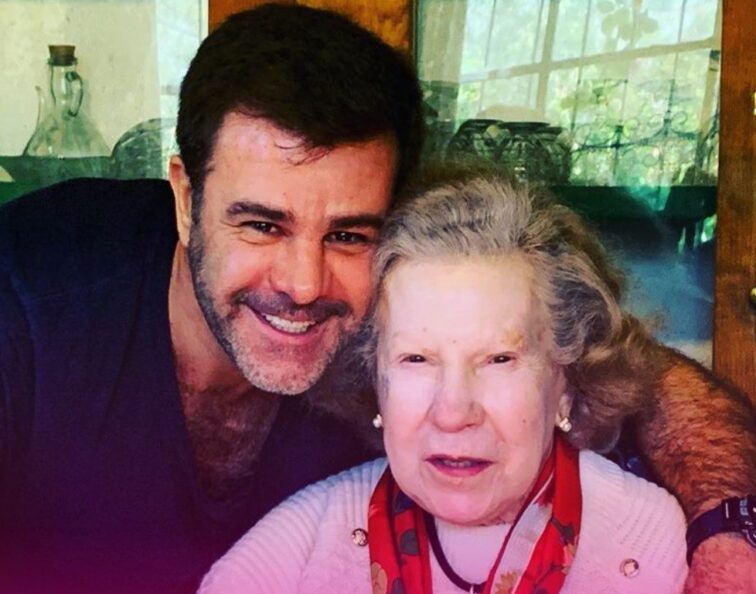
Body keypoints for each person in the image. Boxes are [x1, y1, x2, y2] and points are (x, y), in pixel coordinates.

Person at [0, 4, 752, 594]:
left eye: (348, 234)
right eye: (262, 224)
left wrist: (727, 532)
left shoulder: (383, 318)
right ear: (187, 200)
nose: (303, 284)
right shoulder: (30, 301)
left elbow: (630, 371)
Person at [199, 167, 692, 593]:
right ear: (375, 385)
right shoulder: (294, 553)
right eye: (416, 359)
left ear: (565, 382)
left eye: (499, 359)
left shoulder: (648, 540)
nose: (454, 412)